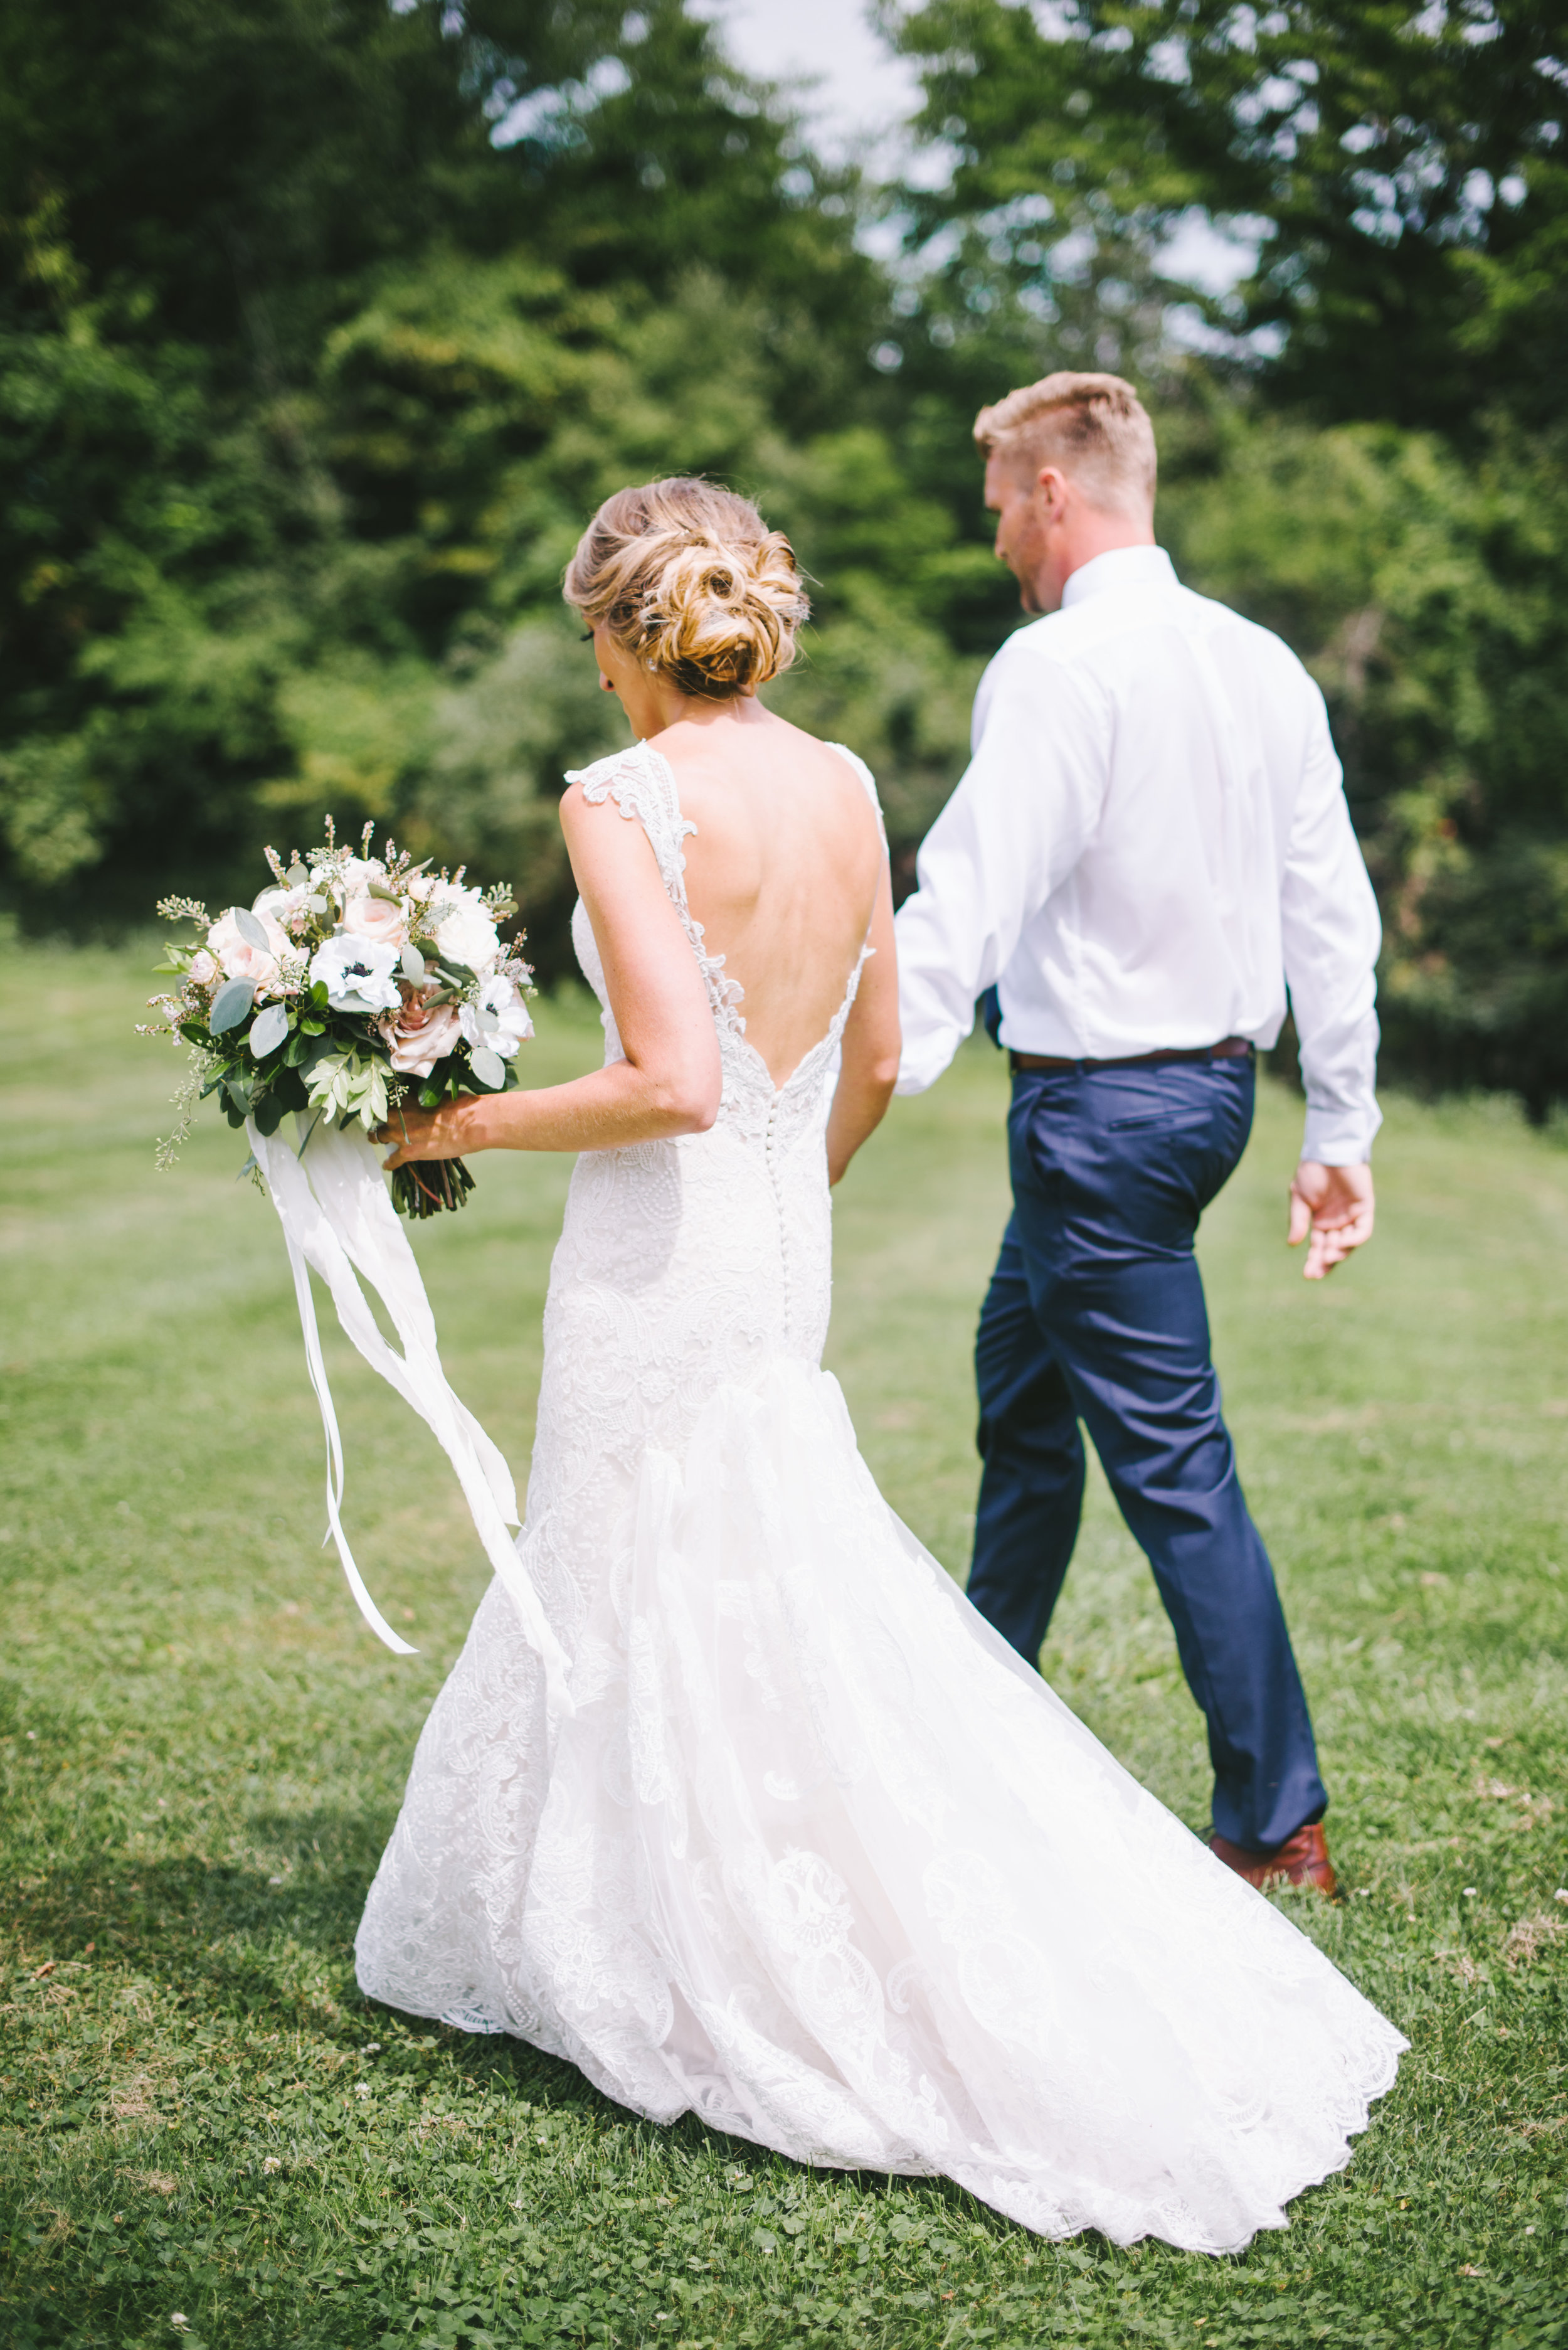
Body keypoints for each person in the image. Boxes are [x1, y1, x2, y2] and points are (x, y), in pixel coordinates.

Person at [356, 476, 1402, 2251]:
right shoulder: (845, 783)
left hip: (660, 1244)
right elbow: (876, 1048)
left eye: (589, 642)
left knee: (637, 1556)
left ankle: (669, 1944)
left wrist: (442, 1118)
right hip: (774, 1236)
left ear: (622, 629)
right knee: (736, 1571)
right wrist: (786, 1191)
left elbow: (671, 1079)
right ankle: (669, 1900)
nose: (597, 677)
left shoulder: (619, 796)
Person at [894, 372, 1383, 1898]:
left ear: (1054, 491)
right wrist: (1342, 1123)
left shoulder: (1056, 666)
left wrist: (857, 1078)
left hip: (1094, 1118)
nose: (995, 548)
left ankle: (1272, 1815)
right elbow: (1332, 913)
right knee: (1022, 1408)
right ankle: (980, 1711)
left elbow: (968, 891)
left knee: (1167, 1463)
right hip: (1206, 1102)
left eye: (998, 511)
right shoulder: (1260, 664)